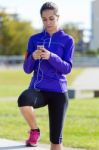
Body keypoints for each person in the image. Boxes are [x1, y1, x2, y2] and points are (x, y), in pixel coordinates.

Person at [17, 2, 75, 150]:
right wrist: (33, 58)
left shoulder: (68, 40)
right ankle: (35, 131)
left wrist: (51, 56)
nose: (48, 22)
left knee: (55, 142)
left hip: (58, 92)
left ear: (58, 18)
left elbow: (67, 68)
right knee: (23, 100)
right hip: (38, 89)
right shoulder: (34, 39)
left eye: (51, 18)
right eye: (44, 19)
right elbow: (27, 69)